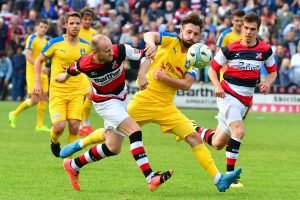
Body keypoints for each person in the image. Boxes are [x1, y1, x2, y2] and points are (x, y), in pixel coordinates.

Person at [60, 13, 242, 193]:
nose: (191, 37)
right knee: (113, 141)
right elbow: (150, 35)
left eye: (195, 34)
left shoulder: (196, 56)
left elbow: (186, 84)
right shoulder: (170, 40)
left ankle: (219, 179)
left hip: (167, 107)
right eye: (188, 32)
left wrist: (164, 77)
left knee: (194, 138)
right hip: (144, 101)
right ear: (181, 31)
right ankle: (81, 146)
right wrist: (151, 44)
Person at [55, 34, 173, 191]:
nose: (112, 52)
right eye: (107, 51)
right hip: (105, 103)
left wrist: (142, 74)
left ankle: (73, 164)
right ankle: (151, 177)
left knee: (113, 147)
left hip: (121, 98)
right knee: (134, 130)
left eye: (111, 48)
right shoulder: (85, 63)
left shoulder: (120, 50)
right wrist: (64, 76)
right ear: (96, 53)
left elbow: (144, 55)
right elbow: (72, 69)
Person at [198, 12, 277, 187]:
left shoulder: (264, 50)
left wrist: (268, 83)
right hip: (227, 95)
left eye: (252, 29)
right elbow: (212, 69)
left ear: (258, 30)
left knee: (218, 143)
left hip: (245, 101)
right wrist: (217, 85)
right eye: (245, 28)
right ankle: (231, 178)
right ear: (242, 28)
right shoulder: (229, 49)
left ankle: (192, 128)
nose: (248, 32)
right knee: (239, 131)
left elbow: (273, 71)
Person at [33, 12, 91, 157]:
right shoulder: (55, 43)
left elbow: (91, 66)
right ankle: (54, 140)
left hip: (76, 91)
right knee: (59, 127)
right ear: (65, 25)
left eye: (77, 23)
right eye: (71, 23)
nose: (75, 26)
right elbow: (38, 61)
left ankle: (69, 161)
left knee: (74, 126)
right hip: (58, 91)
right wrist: (38, 82)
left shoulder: (86, 46)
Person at [9, 20, 50, 131]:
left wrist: (45, 68)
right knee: (35, 99)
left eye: (45, 27)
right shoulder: (31, 38)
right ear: (37, 26)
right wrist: (41, 68)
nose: (43, 29)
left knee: (44, 97)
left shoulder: (45, 41)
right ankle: (14, 113)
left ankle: (40, 125)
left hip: (43, 72)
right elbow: (28, 57)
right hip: (33, 72)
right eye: (41, 26)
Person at [77, 7, 98, 136]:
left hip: (91, 67)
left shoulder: (94, 33)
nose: (87, 21)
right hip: (80, 67)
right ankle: (82, 124)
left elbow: (96, 48)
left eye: (89, 19)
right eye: (85, 19)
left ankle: (86, 123)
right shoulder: (77, 32)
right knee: (86, 95)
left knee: (90, 96)